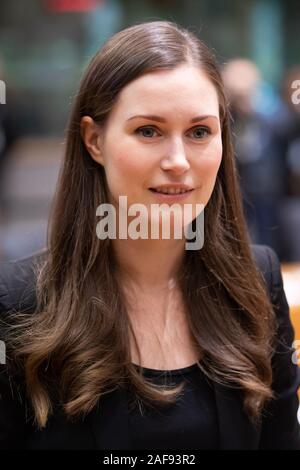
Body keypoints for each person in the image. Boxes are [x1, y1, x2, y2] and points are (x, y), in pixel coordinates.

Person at [0, 21, 299, 450]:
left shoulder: (256, 280)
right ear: (94, 140)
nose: (178, 161)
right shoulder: (16, 304)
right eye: (148, 131)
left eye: (199, 132)